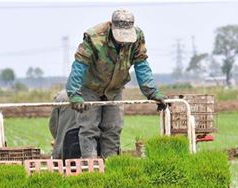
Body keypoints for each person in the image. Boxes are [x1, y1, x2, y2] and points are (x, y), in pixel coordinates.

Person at [65, 9, 167, 158]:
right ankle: (91, 166)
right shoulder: (94, 37)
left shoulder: (136, 38)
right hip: (90, 87)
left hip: (114, 89)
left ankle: (111, 165)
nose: (123, 40)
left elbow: (142, 65)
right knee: (89, 128)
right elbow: (79, 65)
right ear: (112, 27)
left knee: (113, 128)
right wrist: (74, 93)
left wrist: (152, 92)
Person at [49, 90, 79, 160]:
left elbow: (53, 125)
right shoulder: (96, 95)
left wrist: (58, 138)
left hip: (64, 150)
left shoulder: (61, 97)